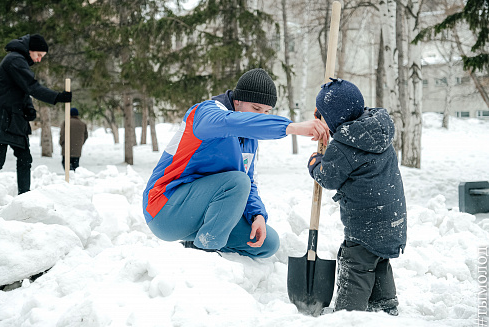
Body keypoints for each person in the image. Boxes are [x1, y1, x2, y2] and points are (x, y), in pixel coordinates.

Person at [143, 68, 329, 259]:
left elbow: (249, 180)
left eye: (266, 112)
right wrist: (291, 127)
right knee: (237, 181)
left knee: (266, 242)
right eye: (257, 109)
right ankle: (205, 255)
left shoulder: (249, 139)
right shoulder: (206, 114)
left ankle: (196, 243)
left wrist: (257, 215)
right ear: (237, 101)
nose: (261, 116)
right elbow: (232, 124)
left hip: (201, 215)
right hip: (165, 209)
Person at [307, 78, 407, 315]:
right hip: (393, 218)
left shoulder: (345, 144)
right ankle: (384, 304)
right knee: (379, 258)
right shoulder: (376, 130)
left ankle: (348, 313)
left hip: (365, 224)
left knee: (356, 265)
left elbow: (328, 177)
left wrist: (315, 162)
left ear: (334, 119)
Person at [0, 34, 72, 194]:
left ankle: (24, 197)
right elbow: (32, 86)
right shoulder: (15, 60)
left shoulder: (19, 61)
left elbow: (23, 91)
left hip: (15, 118)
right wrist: (57, 97)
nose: (39, 60)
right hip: (3, 118)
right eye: (38, 55)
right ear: (30, 50)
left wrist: (28, 108)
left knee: (25, 159)